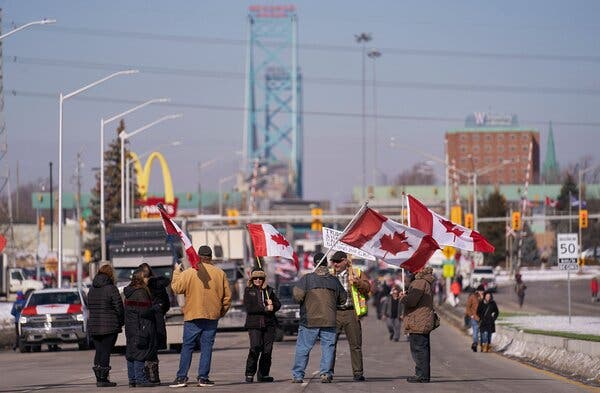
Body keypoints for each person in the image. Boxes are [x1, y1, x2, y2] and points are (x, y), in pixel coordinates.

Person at [169, 245, 232, 388]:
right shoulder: (219, 273)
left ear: (198, 257)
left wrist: (177, 272)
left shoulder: (190, 272)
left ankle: (181, 378)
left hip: (193, 314)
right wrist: (220, 312)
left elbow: (177, 288)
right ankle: (203, 378)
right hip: (211, 315)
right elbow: (227, 297)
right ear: (210, 257)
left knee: (188, 347)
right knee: (207, 347)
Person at [291, 252, 347, 384]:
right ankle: (326, 374)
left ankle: (298, 375)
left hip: (309, 321)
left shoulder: (306, 279)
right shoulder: (334, 280)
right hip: (329, 320)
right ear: (326, 264)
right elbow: (343, 299)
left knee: (303, 348)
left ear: (314, 264)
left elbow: (297, 296)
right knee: (328, 348)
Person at [328, 251, 370, 382]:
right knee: (330, 344)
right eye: (333, 262)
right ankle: (328, 372)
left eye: (338, 261)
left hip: (351, 313)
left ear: (345, 261)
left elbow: (368, 288)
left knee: (355, 344)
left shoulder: (357, 273)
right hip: (335, 313)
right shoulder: (329, 275)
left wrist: (358, 283)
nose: (335, 264)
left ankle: (358, 373)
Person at [87, 264, 124, 387]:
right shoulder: (111, 288)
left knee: (99, 351)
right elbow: (119, 306)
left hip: (94, 325)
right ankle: (103, 379)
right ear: (110, 274)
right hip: (109, 325)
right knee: (106, 352)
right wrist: (121, 320)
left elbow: (89, 306)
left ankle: (99, 377)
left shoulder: (92, 289)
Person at [243, 268, 281, 383]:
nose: (258, 280)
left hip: (269, 324)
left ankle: (263, 374)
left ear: (264, 279)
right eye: (255, 278)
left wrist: (273, 305)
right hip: (254, 324)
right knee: (255, 347)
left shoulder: (269, 290)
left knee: (267, 350)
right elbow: (249, 307)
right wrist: (265, 308)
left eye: (260, 278)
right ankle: (249, 373)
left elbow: (278, 304)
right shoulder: (248, 291)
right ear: (252, 279)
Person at [399, 266, 436, 384]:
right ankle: (422, 374)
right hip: (422, 320)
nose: (409, 273)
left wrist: (403, 298)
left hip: (418, 320)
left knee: (418, 349)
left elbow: (412, 301)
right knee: (422, 349)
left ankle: (421, 375)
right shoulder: (425, 282)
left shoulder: (419, 282)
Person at [124, 267, 158, 387]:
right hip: (141, 325)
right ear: (141, 278)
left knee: (131, 352)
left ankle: (132, 379)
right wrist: (154, 308)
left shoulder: (129, 292)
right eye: (146, 277)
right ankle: (140, 379)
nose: (148, 279)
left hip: (130, 326)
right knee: (140, 351)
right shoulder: (141, 292)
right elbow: (144, 311)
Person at [139, 262, 171, 384]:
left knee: (142, 348)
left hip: (143, 322)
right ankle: (154, 376)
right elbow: (166, 304)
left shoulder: (139, 287)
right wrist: (159, 311)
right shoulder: (159, 286)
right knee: (153, 349)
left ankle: (144, 376)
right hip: (157, 321)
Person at [465, 285, 484, 352]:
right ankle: (475, 343)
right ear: (477, 291)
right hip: (474, 317)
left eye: (482, 291)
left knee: (481, 331)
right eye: (480, 291)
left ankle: (483, 345)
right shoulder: (473, 297)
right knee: (475, 329)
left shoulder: (485, 297)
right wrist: (471, 315)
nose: (481, 292)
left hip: (482, 318)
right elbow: (468, 306)